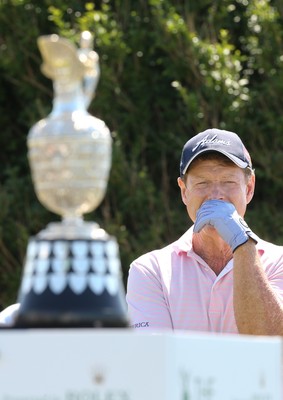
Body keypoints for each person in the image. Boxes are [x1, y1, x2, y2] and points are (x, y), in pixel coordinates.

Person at [126, 128, 283, 335]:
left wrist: (242, 242)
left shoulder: (279, 261)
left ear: (249, 188)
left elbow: (273, 343)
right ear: (184, 191)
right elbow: (155, 360)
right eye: (202, 183)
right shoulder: (150, 270)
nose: (215, 195)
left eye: (228, 181)